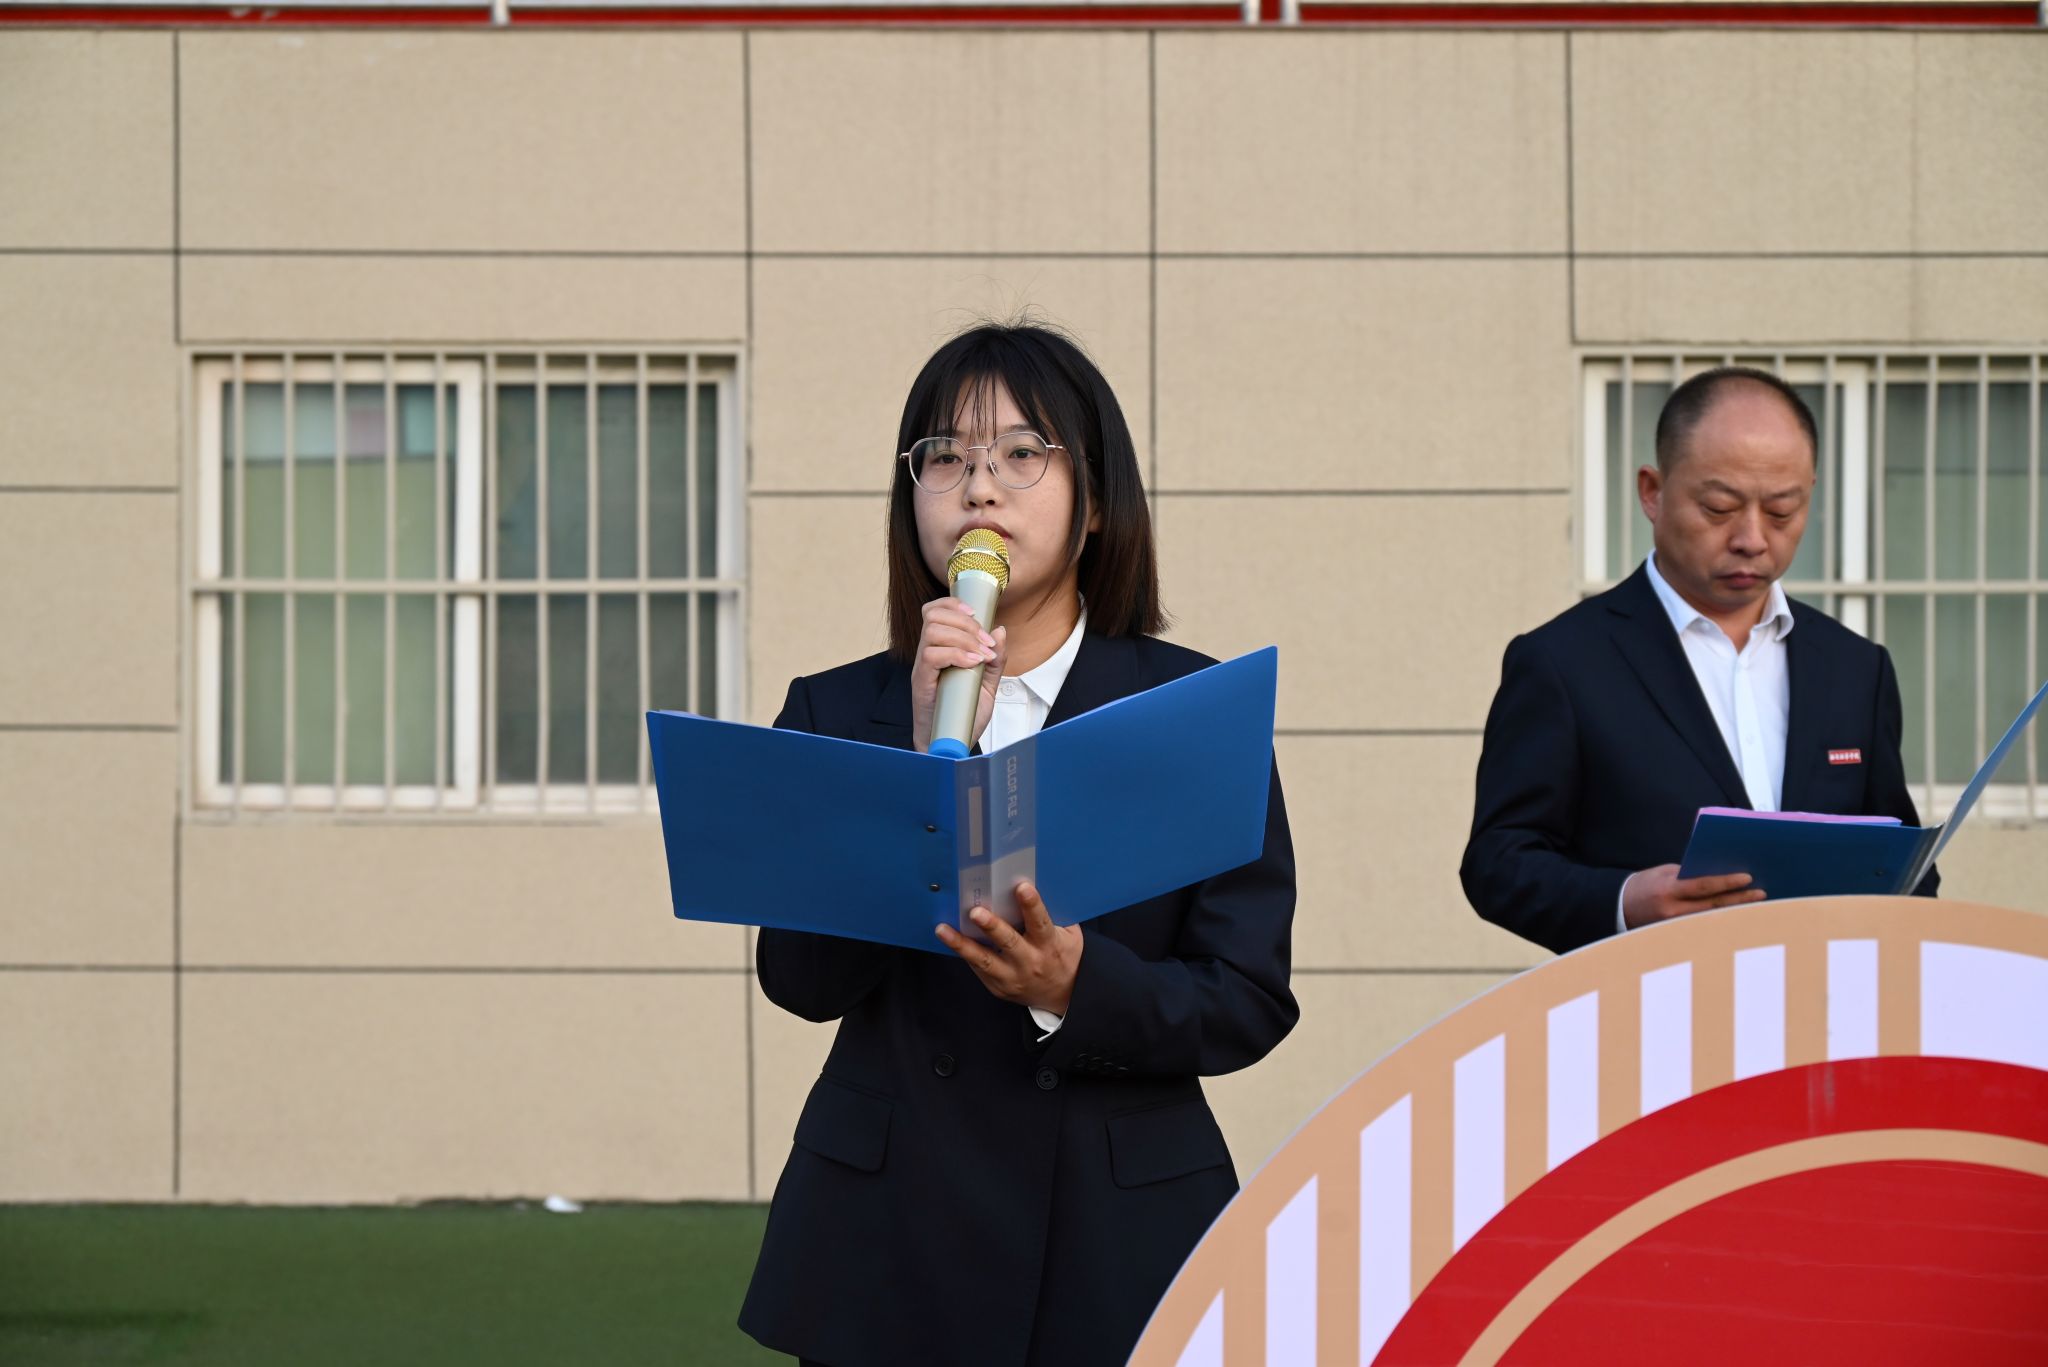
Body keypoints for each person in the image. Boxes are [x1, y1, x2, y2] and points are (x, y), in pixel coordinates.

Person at [738, 322, 1297, 1367]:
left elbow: (1247, 996)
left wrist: (1076, 986)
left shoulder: (1191, 711)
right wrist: (914, 765)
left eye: (1020, 452)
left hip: (1113, 1235)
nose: (979, 488)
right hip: (889, 1237)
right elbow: (798, 978)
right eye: (944, 456)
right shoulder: (836, 711)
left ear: (1095, 501)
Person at [1462, 366, 1935, 956]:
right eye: (1719, 508)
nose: (1752, 538)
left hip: (1823, 1001)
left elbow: (1904, 867)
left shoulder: (1856, 668)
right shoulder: (1563, 662)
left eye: (1782, 511)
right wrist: (1624, 901)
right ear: (1652, 492)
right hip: (1649, 999)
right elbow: (1498, 862)